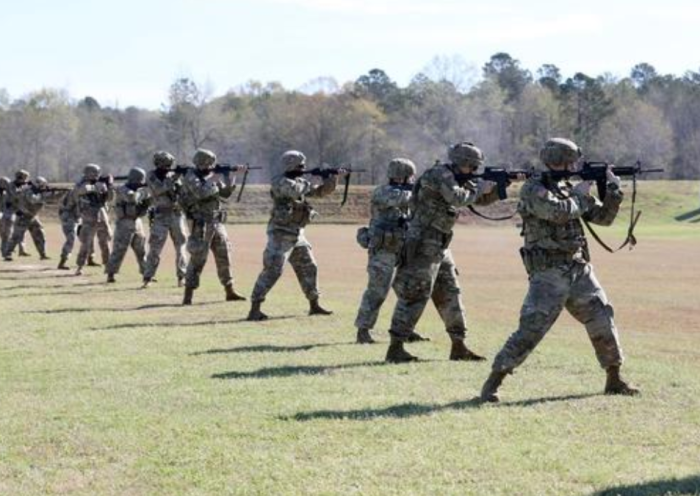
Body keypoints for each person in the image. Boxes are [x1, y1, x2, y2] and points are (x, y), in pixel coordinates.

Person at [480, 137, 639, 403]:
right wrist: (580, 193)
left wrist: (612, 190)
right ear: (558, 160)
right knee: (531, 329)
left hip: (578, 267)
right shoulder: (533, 189)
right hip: (548, 272)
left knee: (602, 317)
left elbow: (604, 219)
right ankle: (492, 384)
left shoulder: (568, 187)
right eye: (570, 160)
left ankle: (614, 378)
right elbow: (558, 213)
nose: (574, 164)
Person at [385, 142, 500, 363]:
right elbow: (457, 198)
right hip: (423, 243)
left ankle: (459, 345)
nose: (474, 171)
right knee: (415, 294)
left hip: (439, 244)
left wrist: (498, 190)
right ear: (462, 163)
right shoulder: (440, 174)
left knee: (450, 291)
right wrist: (478, 188)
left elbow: (477, 199)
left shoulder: (453, 177)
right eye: (472, 167)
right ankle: (396, 347)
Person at [247, 150, 345, 321]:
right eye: (300, 166)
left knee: (309, 267)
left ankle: (314, 305)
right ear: (290, 165)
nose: (304, 168)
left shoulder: (299, 181)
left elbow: (321, 192)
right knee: (273, 270)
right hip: (280, 233)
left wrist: (332, 178)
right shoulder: (280, 181)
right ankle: (255, 308)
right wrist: (314, 177)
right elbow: (295, 190)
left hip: (297, 233)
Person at [354, 158, 416, 344]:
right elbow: (404, 198)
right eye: (410, 176)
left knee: (409, 291)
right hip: (383, 249)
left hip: (403, 246)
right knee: (377, 291)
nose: (412, 180)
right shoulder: (383, 192)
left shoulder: (407, 191)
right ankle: (363, 331)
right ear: (403, 176)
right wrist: (425, 191)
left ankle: (406, 330)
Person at [179, 148, 247, 305]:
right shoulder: (190, 177)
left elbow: (226, 194)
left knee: (224, 256)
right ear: (200, 163)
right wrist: (214, 177)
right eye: (208, 163)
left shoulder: (211, 176)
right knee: (197, 258)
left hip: (217, 223)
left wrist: (232, 177)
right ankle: (188, 295)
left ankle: (230, 291)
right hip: (200, 224)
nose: (211, 166)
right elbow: (201, 193)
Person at [142, 151, 188, 288]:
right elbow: (158, 189)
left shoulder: (173, 176)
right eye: (164, 164)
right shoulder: (151, 176)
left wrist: (185, 176)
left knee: (181, 247)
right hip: (161, 215)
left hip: (176, 215)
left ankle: (182, 277)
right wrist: (175, 177)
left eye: (169, 164)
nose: (167, 167)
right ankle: (148, 278)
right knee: (155, 248)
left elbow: (182, 192)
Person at [105, 167, 150, 283]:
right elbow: (132, 198)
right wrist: (145, 191)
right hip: (124, 222)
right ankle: (111, 273)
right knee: (119, 249)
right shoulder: (123, 189)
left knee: (141, 250)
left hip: (137, 221)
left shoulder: (141, 190)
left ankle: (146, 273)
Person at [73, 164, 114, 275]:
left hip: (102, 217)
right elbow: (83, 191)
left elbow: (110, 198)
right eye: (94, 173)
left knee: (105, 243)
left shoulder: (100, 184)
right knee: (85, 244)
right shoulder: (81, 185)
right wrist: (99, 185)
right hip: (89, 218)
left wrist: (109, 185)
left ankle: (108, 266)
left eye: (98, 173)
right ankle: (80, 267)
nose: (97, 175)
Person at [3, 175, 50, 261]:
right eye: (43, 185)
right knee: (16, 237)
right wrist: (43, 195)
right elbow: (33, 200)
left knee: (39, 234)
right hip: (24, 216)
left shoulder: (35, 191)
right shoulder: (29, 191)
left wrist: (45, 193)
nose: (44, 187)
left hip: (32, 216)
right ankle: (7, 254)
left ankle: (43, 254)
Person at [0, 173, 30, 258]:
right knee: (7, 234)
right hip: (5, 215)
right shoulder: (9, 191)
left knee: (10, 233)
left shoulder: (6, 193)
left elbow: (14, 203)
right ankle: (6, 252)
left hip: (8, 215)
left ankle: (10, 252)